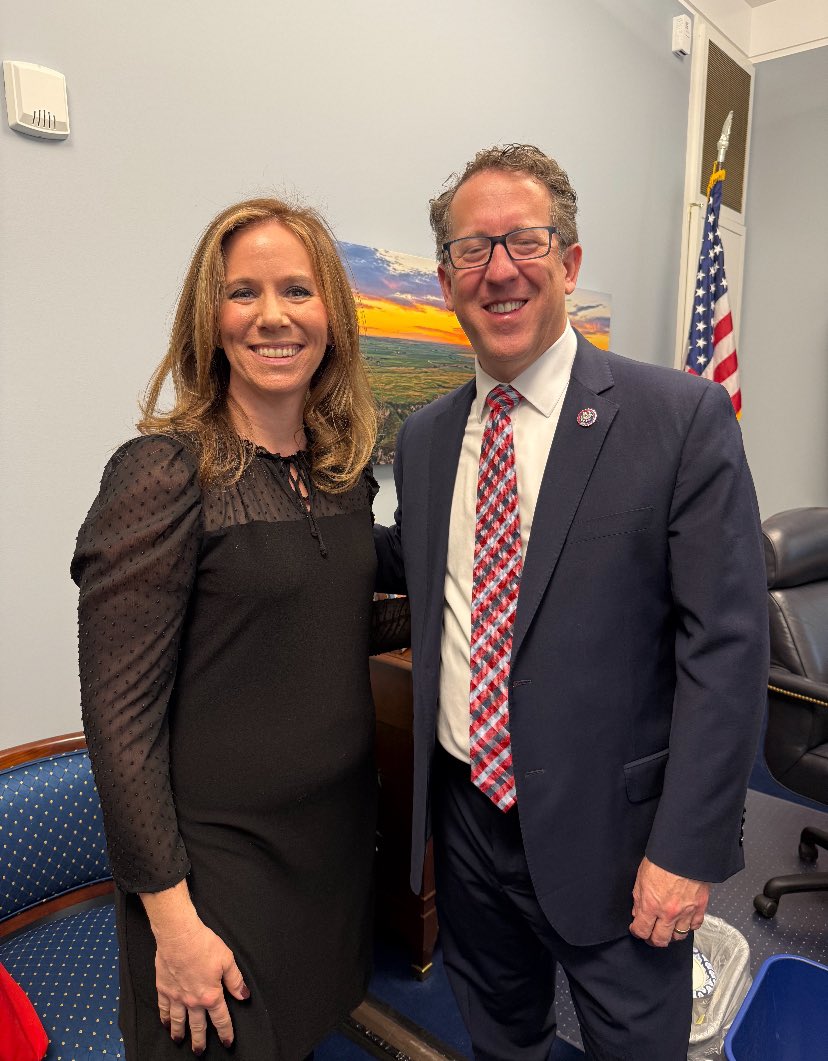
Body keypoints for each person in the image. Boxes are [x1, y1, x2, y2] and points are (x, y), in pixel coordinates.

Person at [373, 145, 768, 1060]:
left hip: (621, 843)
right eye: (472, 249)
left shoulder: (678, 418)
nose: (499, 268)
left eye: (526, 240)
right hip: (467, 824)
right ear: (446, 281)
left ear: (569, 262)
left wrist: (686, 850)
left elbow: (727, 649)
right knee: (502, 1038)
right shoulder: (427, 438)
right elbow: (419, 569)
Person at [72, 197, 406, 1060]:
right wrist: (172, 920)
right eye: (242, 292)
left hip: (329, 851)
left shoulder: (339, 473)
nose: (272, 316)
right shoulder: (163, 474)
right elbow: (119, 721)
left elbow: (336, 602)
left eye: (297, 290)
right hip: (213, 870)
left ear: (331, 316)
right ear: (209, 318)